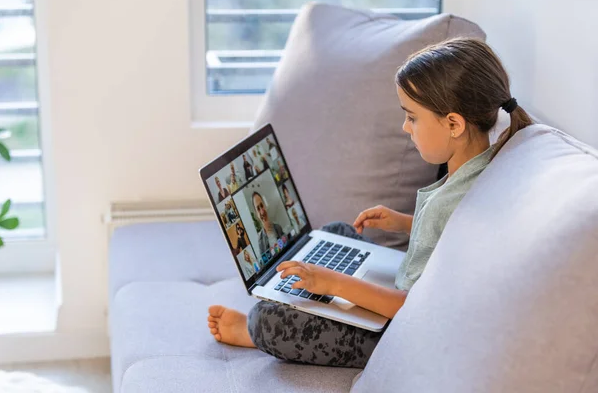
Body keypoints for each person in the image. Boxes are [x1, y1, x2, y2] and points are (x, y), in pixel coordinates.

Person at [206, 38, 534, 367]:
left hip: (404, 330)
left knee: (269, 322)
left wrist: (334, 283)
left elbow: (418, 309)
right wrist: (405, 222)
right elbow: (446, 236)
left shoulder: (460, 194)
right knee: (335, 231)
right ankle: (307, 292)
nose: (405, 127)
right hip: (406, 294)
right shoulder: (477, 166)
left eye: (412, 117)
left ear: (453, 124)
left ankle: (254, 332)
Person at [251, 191, 284, 257]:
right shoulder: (260, 240)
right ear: (256, 214)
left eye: (262, 206)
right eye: (258, 209)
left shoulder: (278, 228)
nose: (262, 211)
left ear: (265, 206)